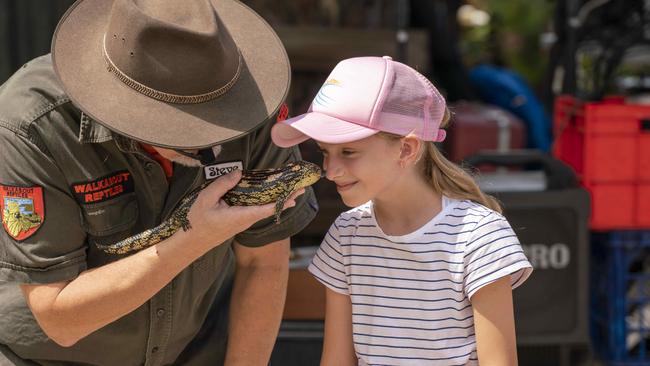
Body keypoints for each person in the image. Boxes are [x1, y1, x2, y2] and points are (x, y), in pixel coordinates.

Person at [0, 0, 318, 365]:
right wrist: (193, 239)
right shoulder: (33, 126)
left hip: (195, 351)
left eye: (216, 116)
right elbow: (60, 319)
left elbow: (262, 262)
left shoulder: (253, 106)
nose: (210, 139)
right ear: (124, 105)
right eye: (185, 125)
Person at [271, 56, 533, 366]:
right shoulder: (346, 234)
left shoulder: (478, 236)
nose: (330, 171)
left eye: (349, 151)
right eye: (325, 152)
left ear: (407, 149)